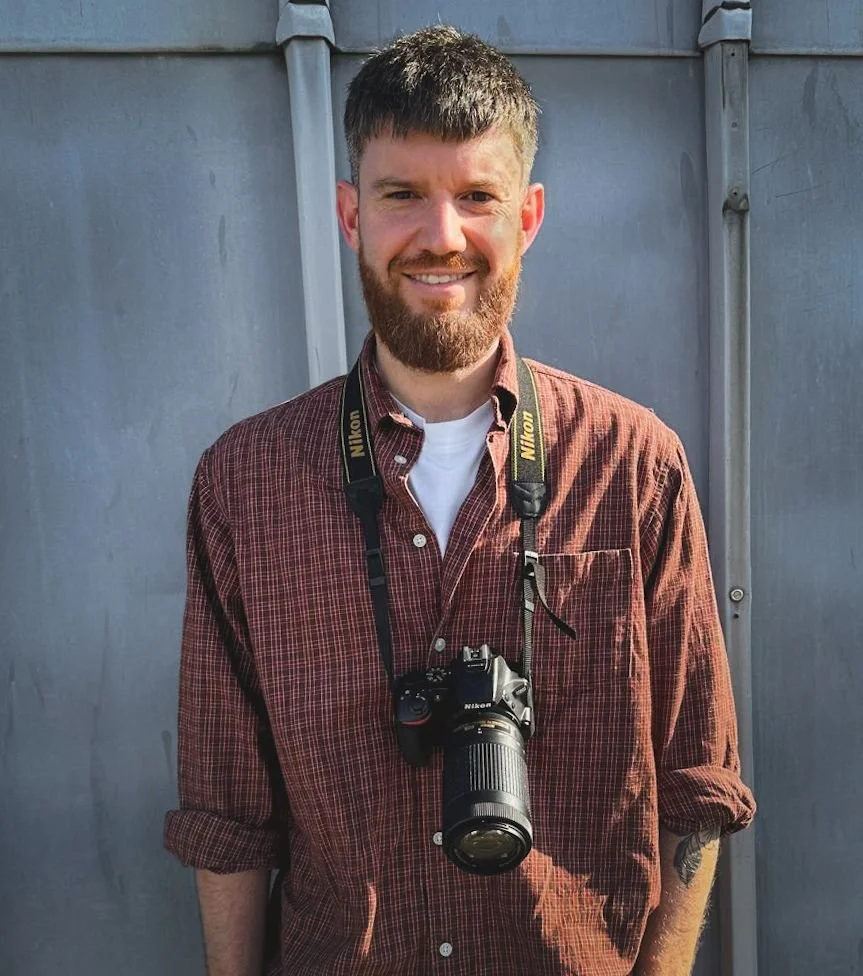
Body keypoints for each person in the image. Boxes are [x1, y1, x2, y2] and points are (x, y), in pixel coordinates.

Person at [164, 25, 755, 976]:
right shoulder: (246, 483)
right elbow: (228, 814)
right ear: (352, 214)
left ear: (526, 216)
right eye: (403, 195)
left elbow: (697, 781)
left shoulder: (632, 464)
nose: (441, 236)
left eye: (475, 196)